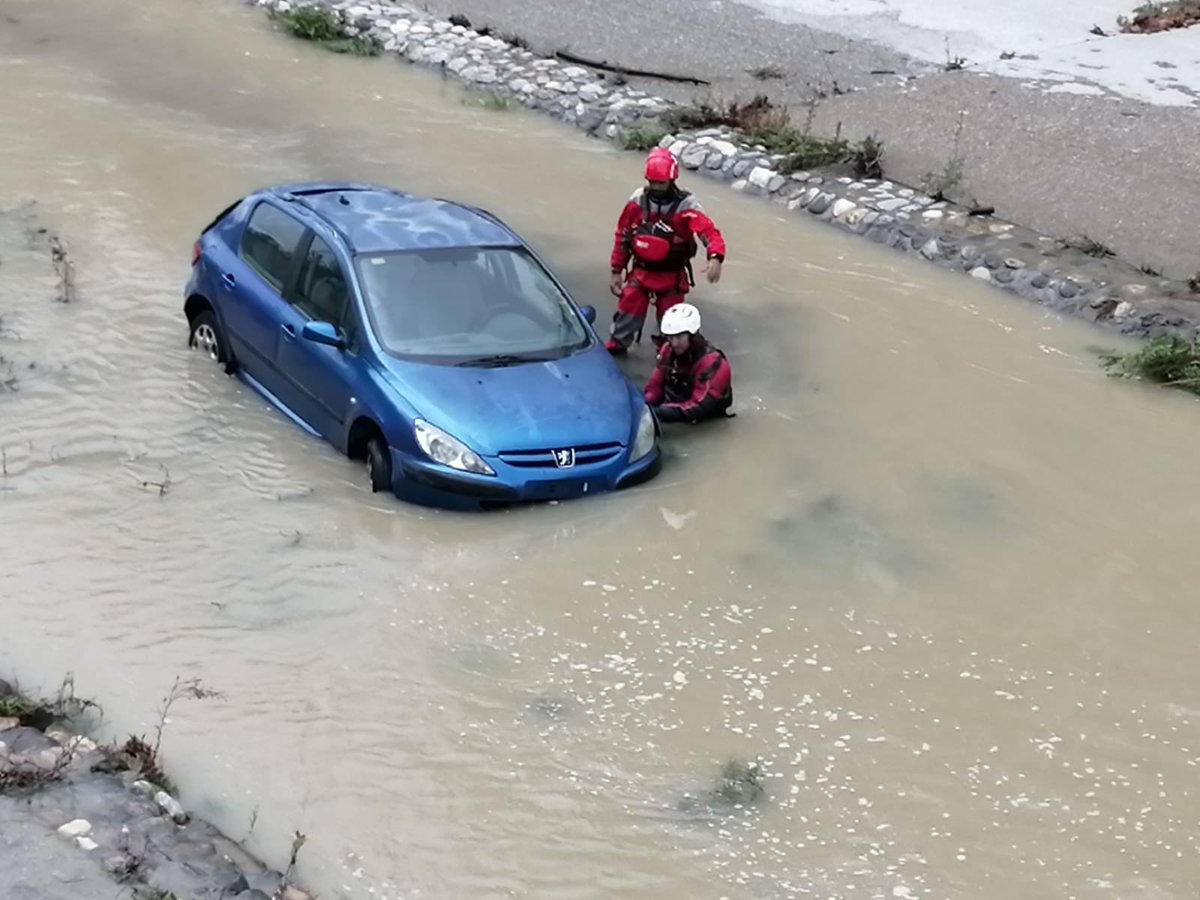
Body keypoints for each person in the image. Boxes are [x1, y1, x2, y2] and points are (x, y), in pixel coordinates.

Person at [605, 147, 727, 355]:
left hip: (671, 276)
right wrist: (616, 270)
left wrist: (715, 257)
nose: (656, 187)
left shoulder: (686, 205)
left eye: (660, 183)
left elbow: (708, 231)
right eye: (652, 182)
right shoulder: (638, 200)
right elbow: (623, 235)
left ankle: (668, 356)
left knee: (672, 326)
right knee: (628, 310)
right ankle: (617, 347)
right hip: (641, 272)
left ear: (672, 180)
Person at [643, 302, 733, 424]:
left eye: (679, 337)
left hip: (703, 419)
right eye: (670, 337)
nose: (674, 343)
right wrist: (644, 405)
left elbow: (699, 406)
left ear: (692, 335)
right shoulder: (668, 350)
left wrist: (659, 412)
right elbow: (654, 386)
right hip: (674, 408)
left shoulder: (712, 363)